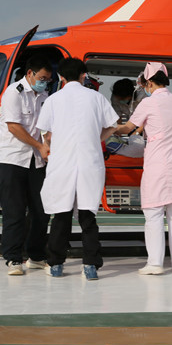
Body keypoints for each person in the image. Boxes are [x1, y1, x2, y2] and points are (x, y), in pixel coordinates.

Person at [115, 62, 172, 275]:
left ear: (149, 82)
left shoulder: (148, 103)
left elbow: (128, 128)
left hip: (158, 165)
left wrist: (108, 128)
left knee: (154, 214)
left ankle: (155, 263)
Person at [37, 58, 119, 280]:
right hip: (89, 162)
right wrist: (96, 138)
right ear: (84, 75)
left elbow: (46, 134)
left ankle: (56, 264)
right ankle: (90, 265)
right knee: (87, 216)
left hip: (62, 162)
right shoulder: (96, 97)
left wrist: (55, 141)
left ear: (61, 77)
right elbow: (113, 125)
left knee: (61, 215)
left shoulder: (53, 100)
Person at [0, 55, 53, 276]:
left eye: (47, 79)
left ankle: (36, 256)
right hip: (13, 159)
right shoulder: (14, 93)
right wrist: (39, 146)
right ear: (30, 73)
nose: (44, 82)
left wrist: (48, 145)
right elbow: (13, 127)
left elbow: (45, 127)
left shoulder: (44, 96)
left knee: (41, 210)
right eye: (42, 78)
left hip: (36, 161)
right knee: (15, 211)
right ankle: (13, 258)